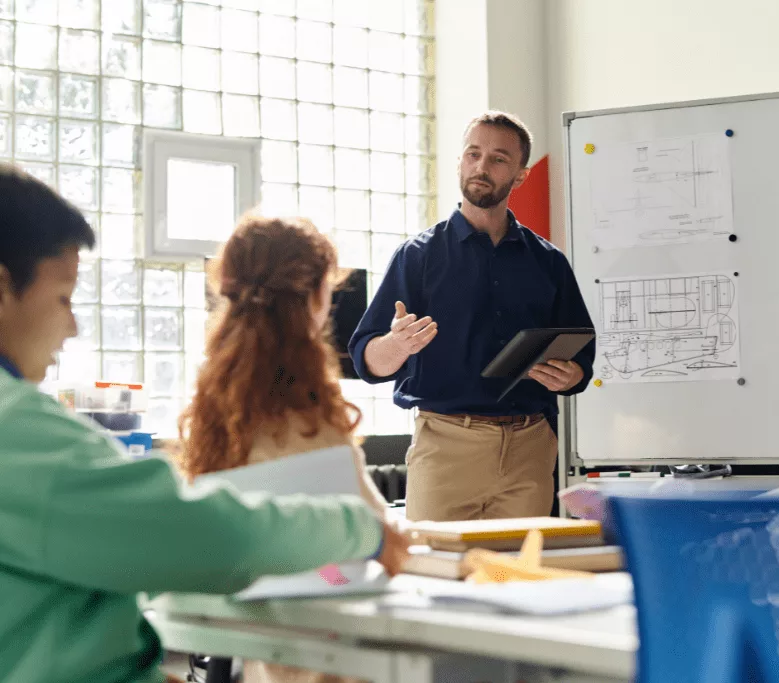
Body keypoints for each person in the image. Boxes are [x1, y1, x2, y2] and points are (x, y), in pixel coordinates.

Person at [0, 163, 409, 683]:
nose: (74, 324)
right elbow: (209, 533)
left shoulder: (214, 405)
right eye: (63, 297)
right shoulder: (17, 431)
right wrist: (361, 531)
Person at [349, 111, 596, 523]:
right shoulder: (418, 257)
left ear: (520, 175)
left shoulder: (549, 262)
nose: (481, 167)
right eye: (473, 154)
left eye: (498, 159)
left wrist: (571, 376)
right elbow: (366, 360)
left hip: (530, 448)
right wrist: (396, 345)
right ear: (461, 161)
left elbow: (582, 357)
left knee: (516, 577)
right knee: (439, 572)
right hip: (446, 445)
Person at [177, 214, 391, 683]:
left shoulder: (215, 405)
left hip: (261, 641)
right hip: (326, 636)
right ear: (315, 296)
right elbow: (372, 536)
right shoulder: (308, 409)